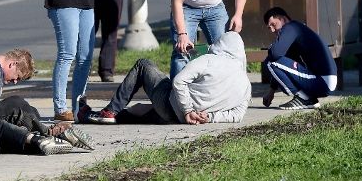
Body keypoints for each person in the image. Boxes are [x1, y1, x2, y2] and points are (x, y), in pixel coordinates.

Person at [78, 31, 251, 125]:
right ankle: (93, 116)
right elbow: (237, 115)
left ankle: (110, 110)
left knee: (143, 64)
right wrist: (209, 118)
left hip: (175, 108)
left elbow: (179, 81)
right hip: (187, 120)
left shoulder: (209, 60)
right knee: (139, 110)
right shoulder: (245, 84)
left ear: (220, 45)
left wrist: (188, 110)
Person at [0, 49, 94, 150]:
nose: (15, 82)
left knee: (30, 111)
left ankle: (40, 136)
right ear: (13, 64)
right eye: (17, 77)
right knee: (16, 104)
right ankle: (50, 134)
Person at [261, 7, 338, 110]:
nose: (272, 30)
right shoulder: (296, 29)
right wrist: (271, 92)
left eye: (273, 24)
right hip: (323, 81)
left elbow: (275, 54)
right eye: (269, 27)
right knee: (276, 60)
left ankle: (303, 98)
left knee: (270, 61)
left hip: (322, 81)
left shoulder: (290, 27)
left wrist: (271, 47)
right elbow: (282, 63)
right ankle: (309, 99)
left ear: (283, 19)